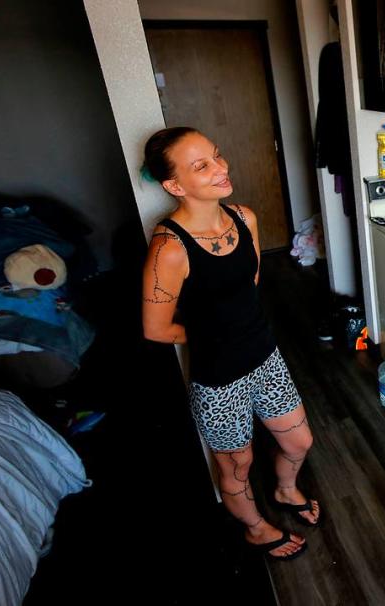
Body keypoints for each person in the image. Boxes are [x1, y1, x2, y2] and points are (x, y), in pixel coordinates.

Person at [141, 127, 319, 560]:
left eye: (217, 156)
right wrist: (215, 333)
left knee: (299, 443)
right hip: (219, 379)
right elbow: (156, 330)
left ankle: (285, 488)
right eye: (202, 166)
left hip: (266, 356)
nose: (221, 168)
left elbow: (249, 282)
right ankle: (256, 528)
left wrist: (238, 326)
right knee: (236, 465)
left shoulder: (245, 217)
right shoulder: (169, 248)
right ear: (174, 186)